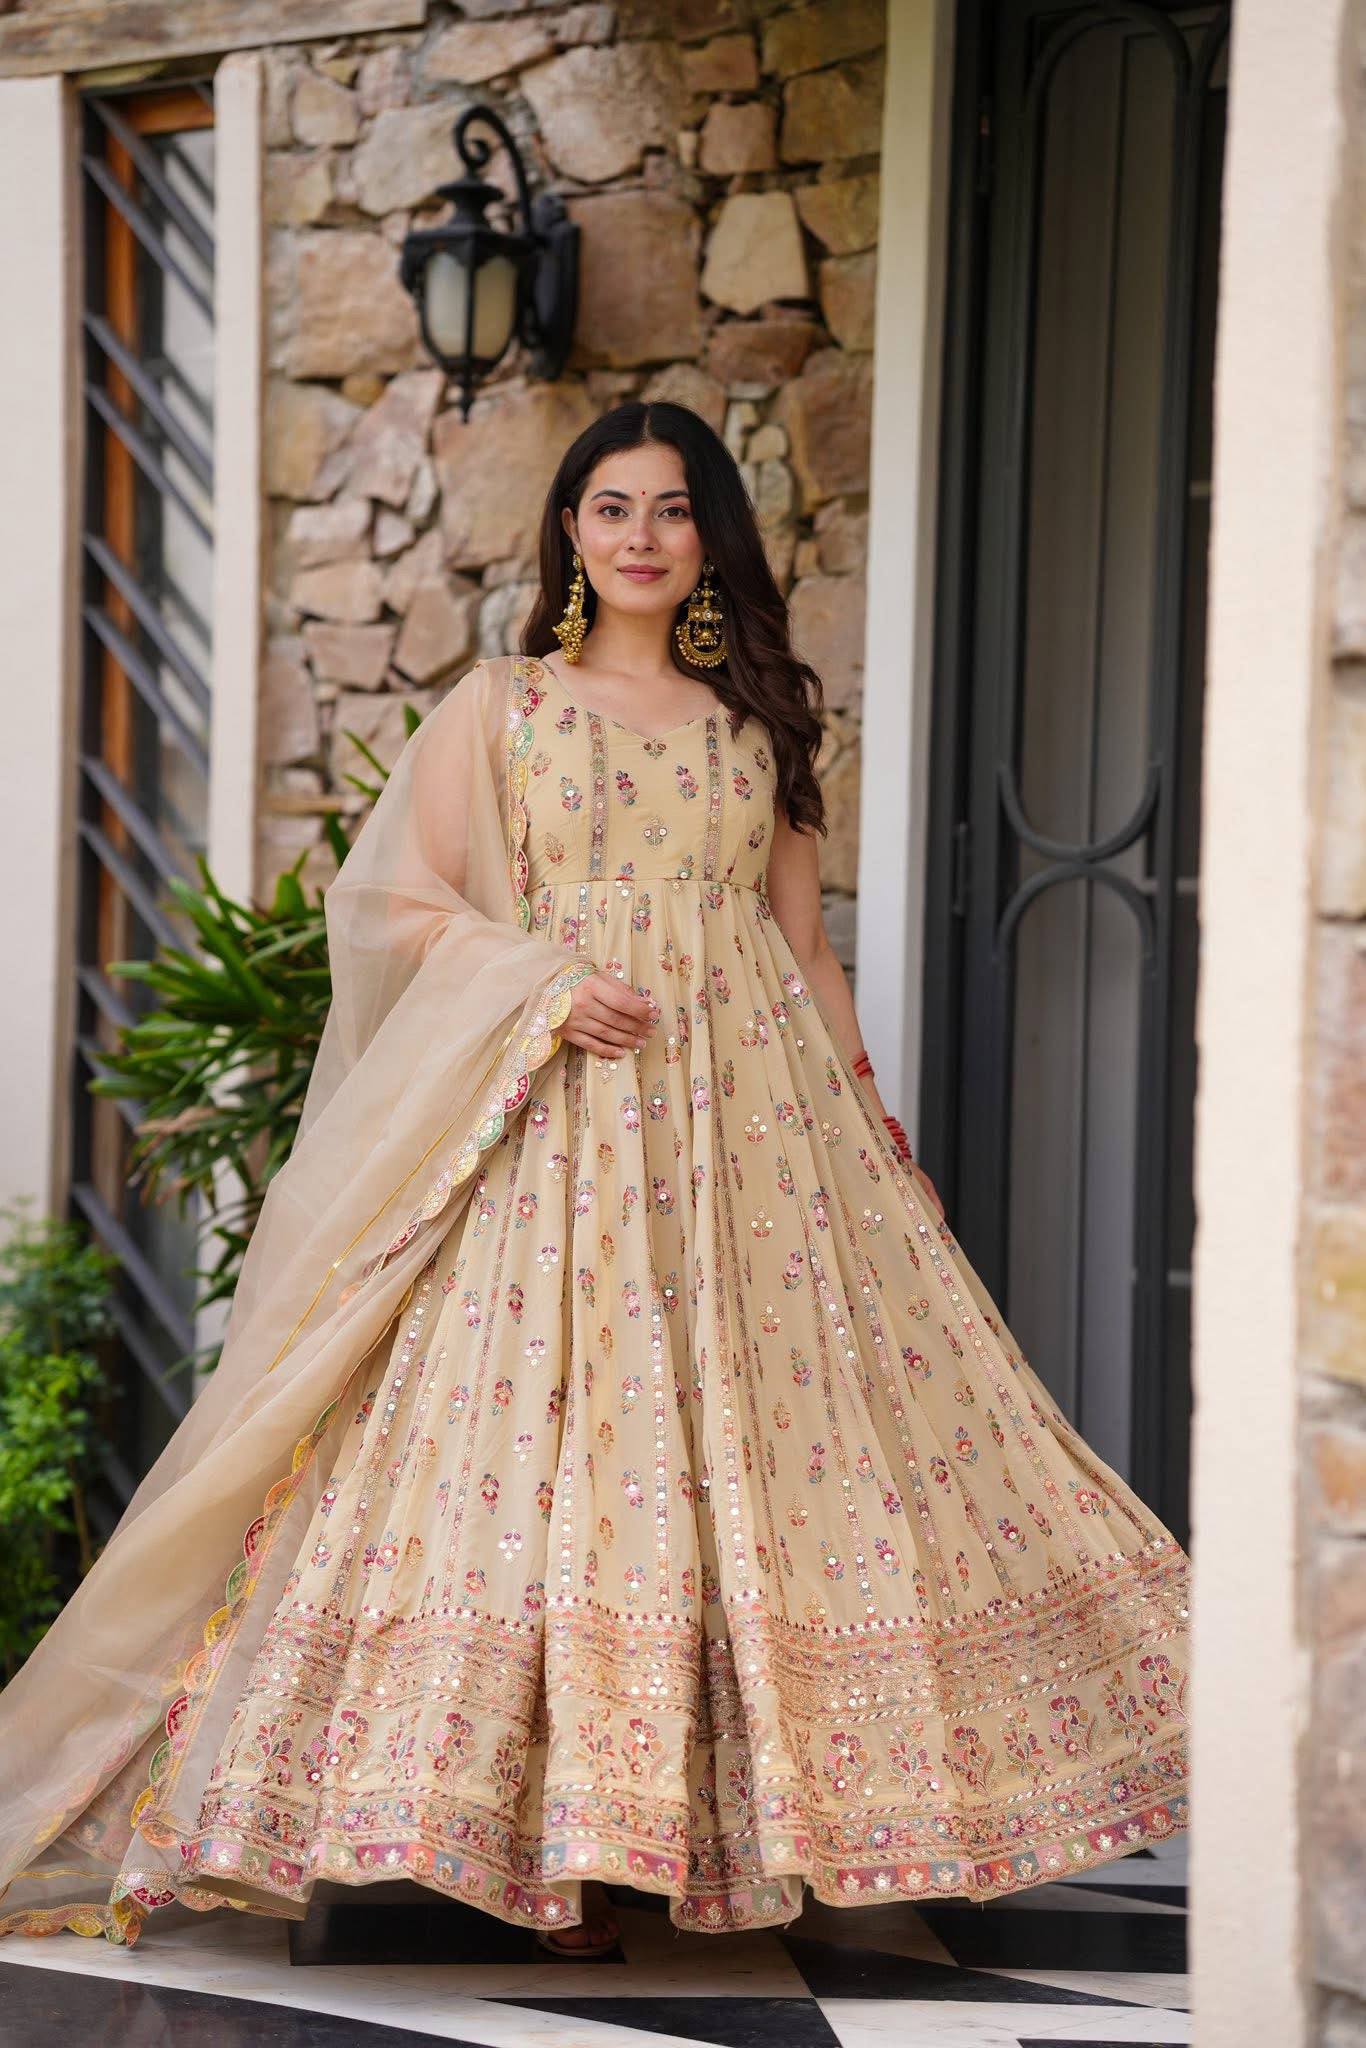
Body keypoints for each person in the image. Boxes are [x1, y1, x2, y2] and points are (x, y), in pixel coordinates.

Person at [0, 402, 1189, 1958]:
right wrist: (545, 981)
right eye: (611, 507)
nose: (639, 535)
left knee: (776, 1453)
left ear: (710, 538)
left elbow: (801, 944)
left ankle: (805, 1823)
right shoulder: (500, 706)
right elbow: (401, 904)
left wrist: (869, 1121)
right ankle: (549, 1846)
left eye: (672, 510)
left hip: (758, 1138)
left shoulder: (753, 721)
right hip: (552, 1118)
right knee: (551, 1454)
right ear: (568, 531)